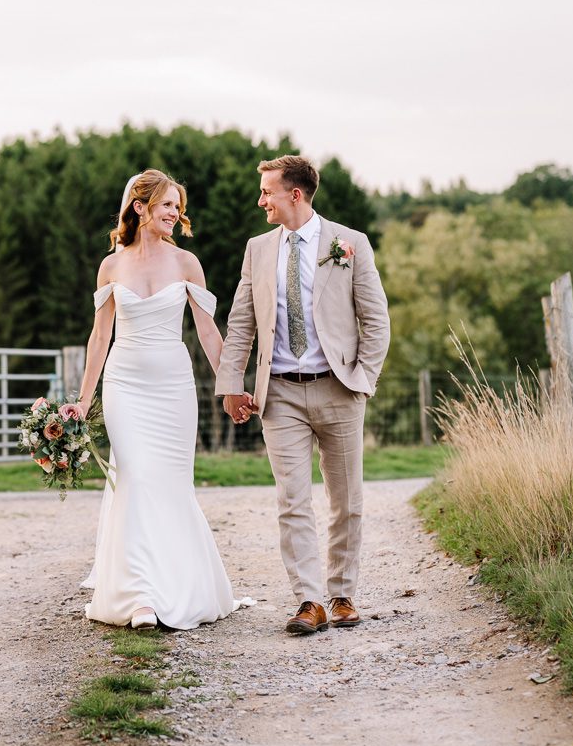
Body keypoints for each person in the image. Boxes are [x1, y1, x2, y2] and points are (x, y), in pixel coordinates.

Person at [216, 155, 390, 635]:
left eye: (267, 191)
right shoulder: (257, 249)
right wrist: (232, 385)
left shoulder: (349, 243)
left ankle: (342, 594)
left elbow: (376, 321)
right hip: (281, 396)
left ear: (295, 194)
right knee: (292, 500)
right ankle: (308, 601)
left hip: (339, 389)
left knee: (346, 499)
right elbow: (242, 322)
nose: (261, 200)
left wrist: (363, 378)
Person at [69, 169, 245, 630]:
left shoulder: (186, 263)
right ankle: (142, 595)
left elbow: (208, 330)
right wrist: (83, 403)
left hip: (173, 387)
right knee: (137, 477)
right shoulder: (112, 266)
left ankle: (176, 584)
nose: (175, 213)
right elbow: (99, 336)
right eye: (167, 204)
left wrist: (229, 384)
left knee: (169, 483)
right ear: (140, 207)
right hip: (125, 384)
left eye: (177, 206)